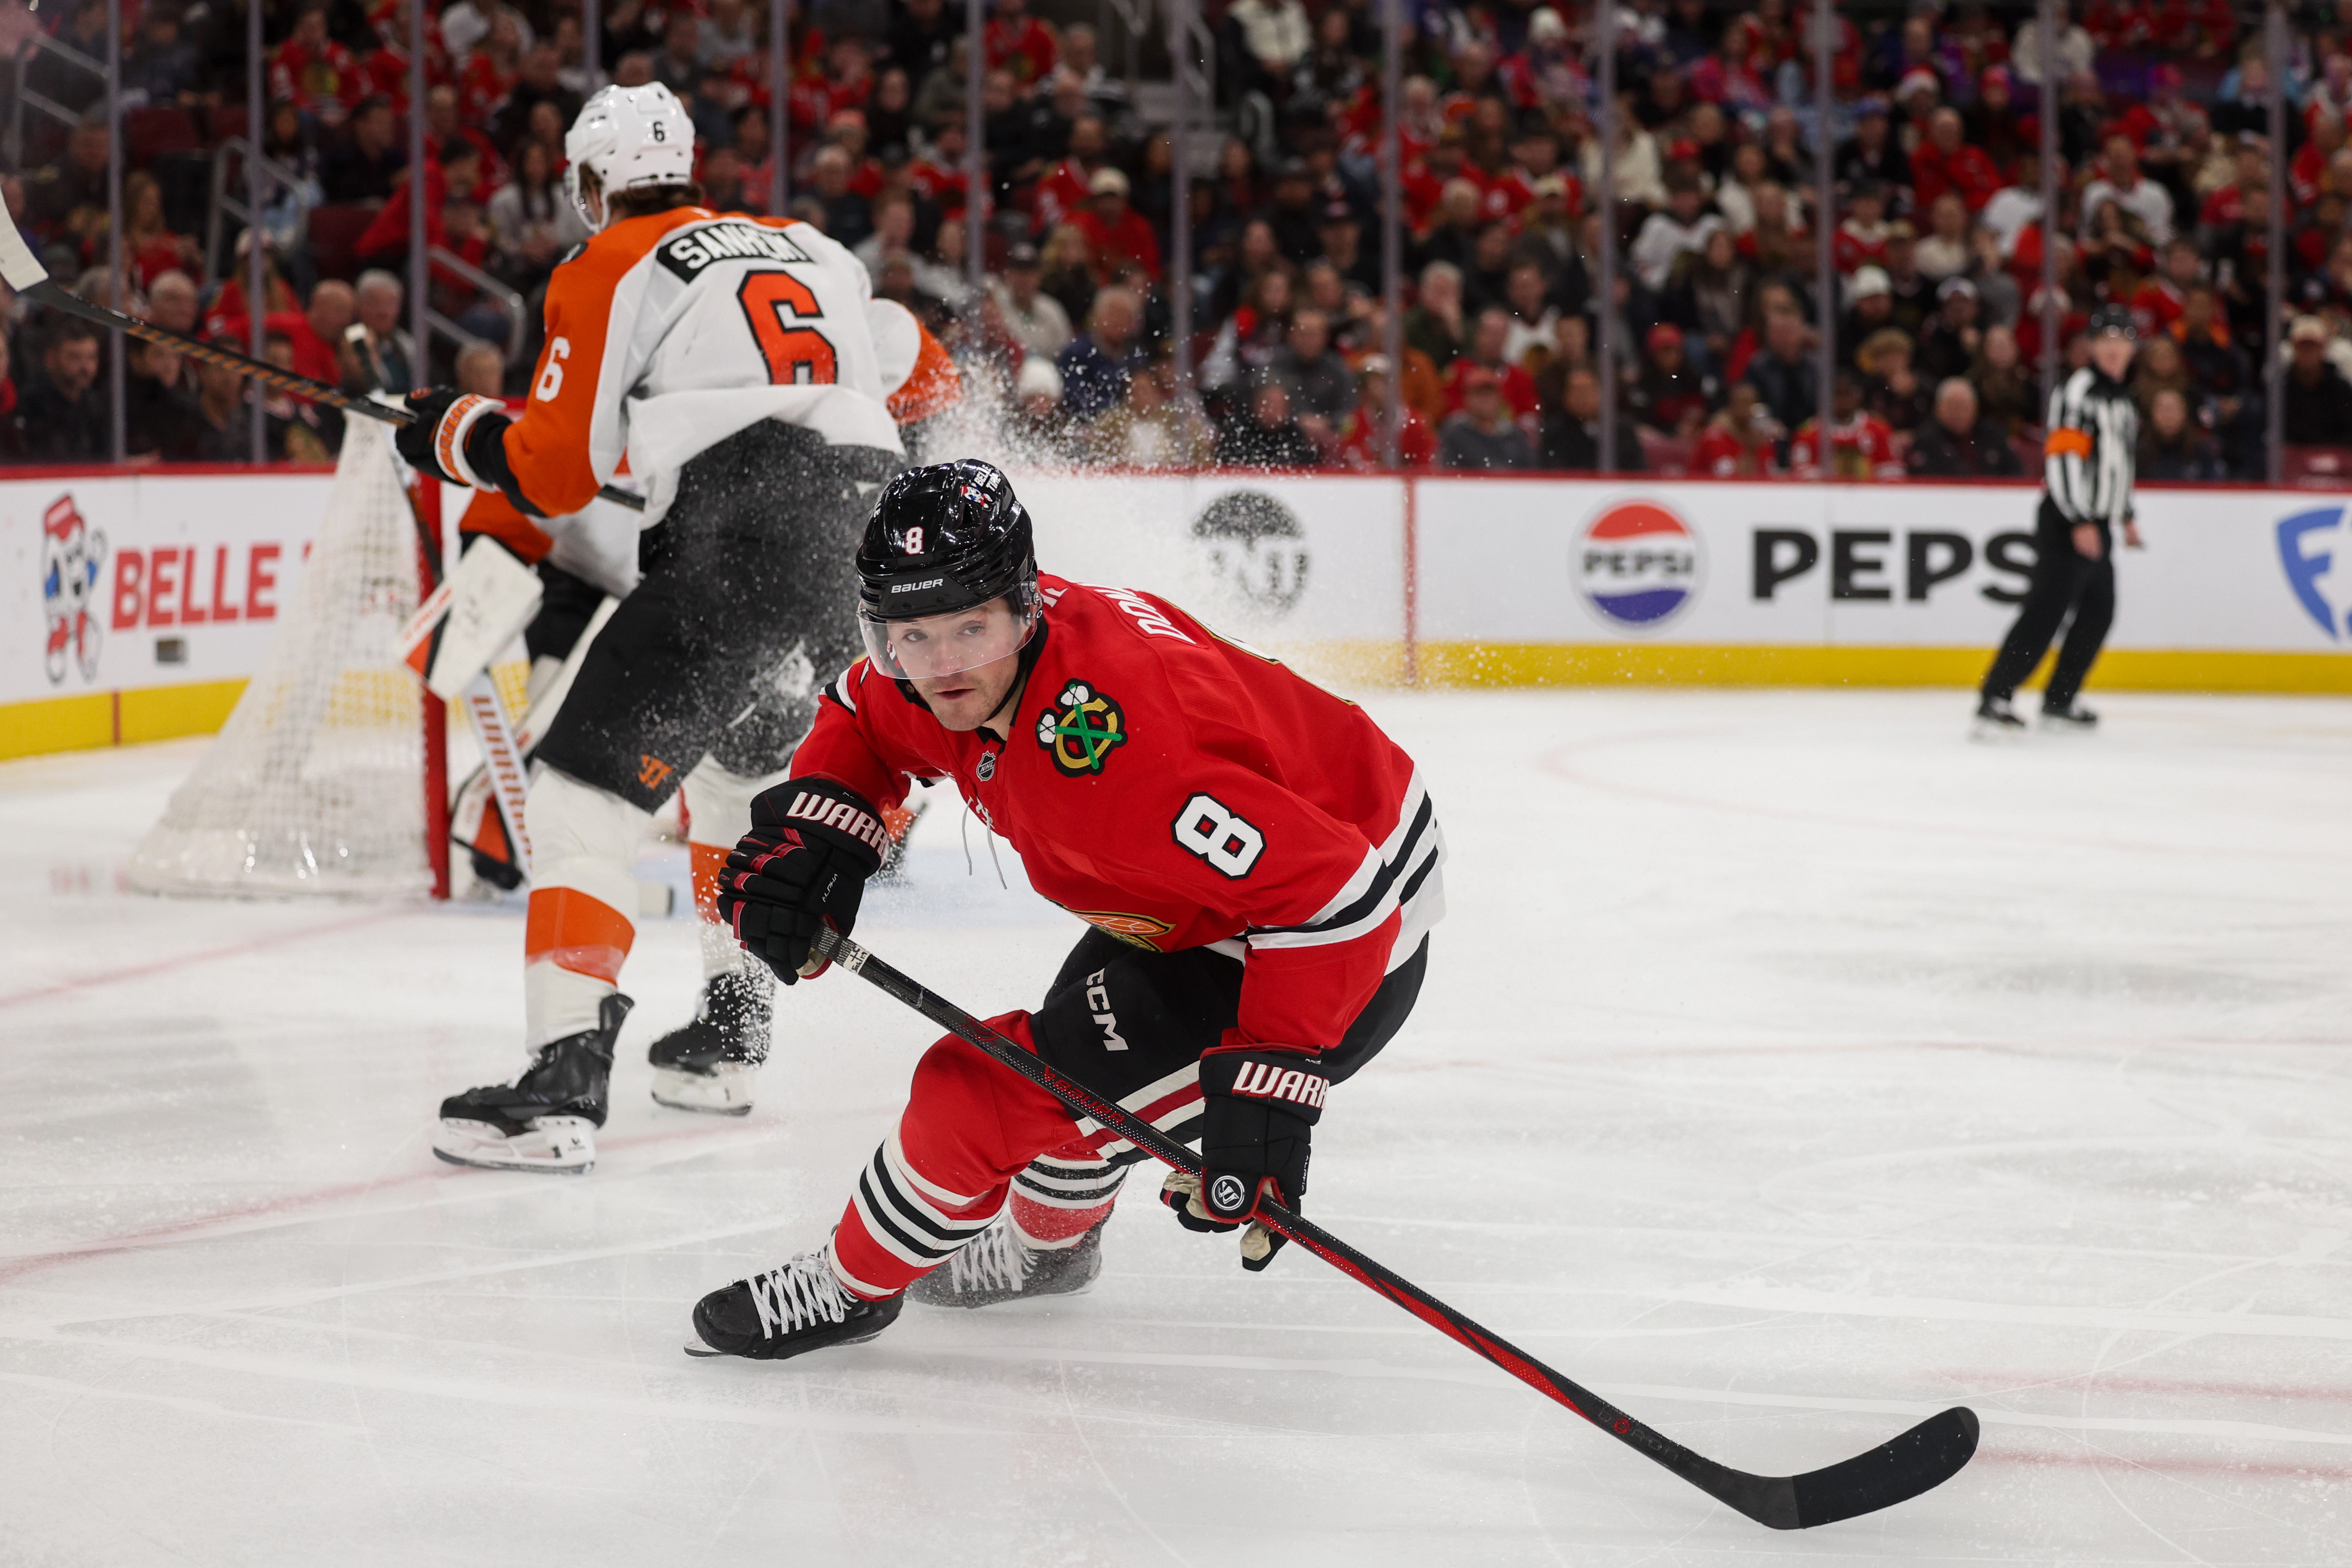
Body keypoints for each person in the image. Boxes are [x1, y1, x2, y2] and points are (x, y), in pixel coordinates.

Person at [687, 460, 1443, 1351]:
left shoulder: (1129, 759)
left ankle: (849, 1286)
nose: (942, 665)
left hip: (1330, 941)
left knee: (980, 1092)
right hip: (1214, 898)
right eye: (912, 635)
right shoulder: (951, 666)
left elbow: (1341, 897)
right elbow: (859, 712)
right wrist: (822, 829)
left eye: (970, 628)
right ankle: (1049, 1254)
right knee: (1067, 1076)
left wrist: (1269, 1084)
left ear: (1023, 606)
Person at [398, 84, 959, 1174]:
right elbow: (910, 362)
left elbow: (556, 472)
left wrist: (460, 435)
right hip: (859, 543)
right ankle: (731, 1036)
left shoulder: (608, 260)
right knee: (735, 774)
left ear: (590, 182)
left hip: (744, 538)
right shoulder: (809, 245)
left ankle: (562, 1075)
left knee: (581, 793)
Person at [1975, 305, 2142, 736]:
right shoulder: (2078, 392)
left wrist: (2125, 514)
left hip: (2097, 522)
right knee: (2045, 612)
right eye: (2106, 341)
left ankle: (2060, 699)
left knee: (2098, 613)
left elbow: (2118, 464)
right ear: (2092, 347)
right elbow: (2064, 458)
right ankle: (1997, 695)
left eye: (2122, 341)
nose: (2114, 350)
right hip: (2069, 520)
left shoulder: (2123, 401)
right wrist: (2079, 518)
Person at [1905, 378, 2025, 478]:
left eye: (1963, 406)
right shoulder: (1925, 440)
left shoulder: (1994, 436)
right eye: (1952, 406)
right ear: (1938, 409)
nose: (1958, 413)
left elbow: (2015, 474)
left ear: (1975, 408)